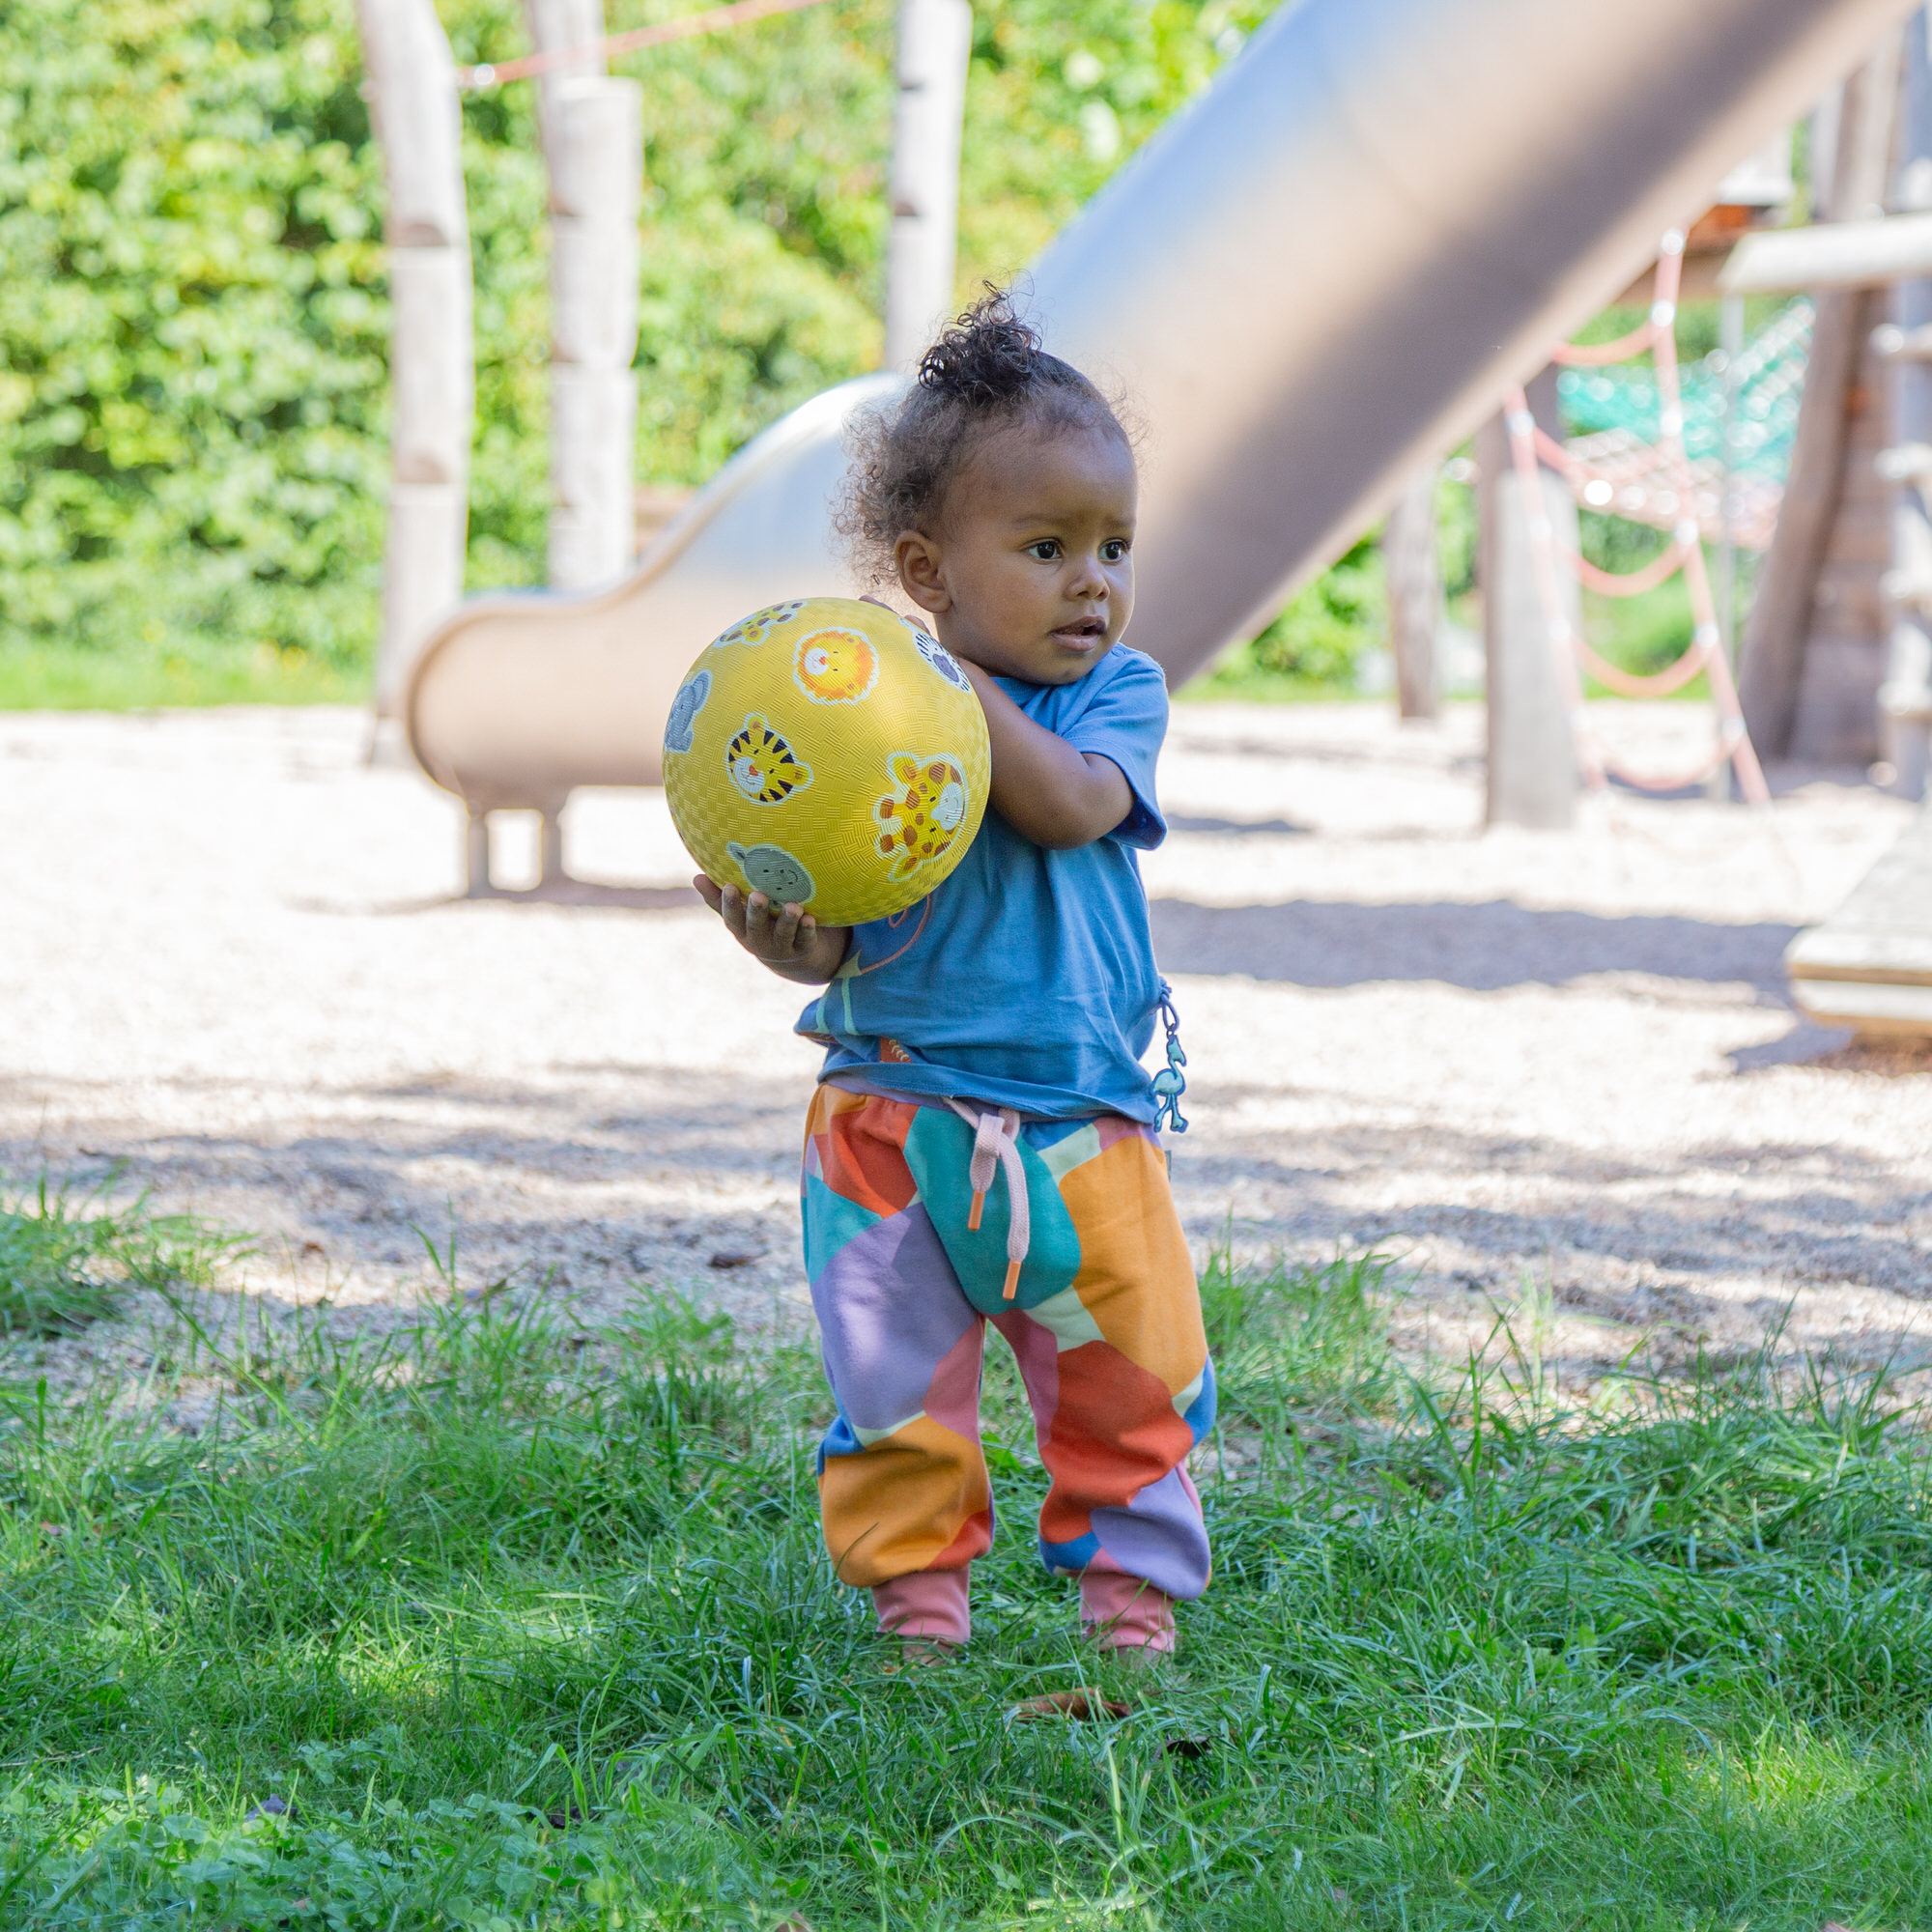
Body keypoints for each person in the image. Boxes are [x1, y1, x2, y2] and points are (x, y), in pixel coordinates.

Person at [694, 291, 1212, 1660]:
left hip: (1075, 1121)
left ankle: (1130, 1615)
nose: (1092, 580)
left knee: (1125, 1376)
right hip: (884, 1116)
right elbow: (856, 912)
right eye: (1045, 548)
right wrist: (800, 941)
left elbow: (1069, 809)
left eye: (1113, 546)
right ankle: (918, 1617)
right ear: (927, 569)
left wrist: (949, 689)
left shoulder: (1115, 697)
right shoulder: (866, 725)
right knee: (894, 1388)